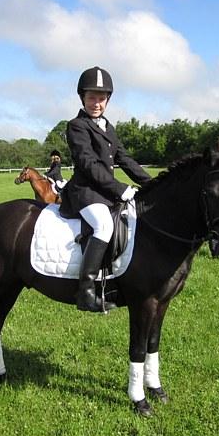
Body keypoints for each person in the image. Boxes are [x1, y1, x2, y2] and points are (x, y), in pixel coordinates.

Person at [59, 66, 152, 312]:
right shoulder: (76, 126)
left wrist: (153, 184)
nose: (96, 103)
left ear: (108, 100)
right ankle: (86, 291)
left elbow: (125, 159)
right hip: (85, 191)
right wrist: (120, 188)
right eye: (92, 97)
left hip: (105, 191)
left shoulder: (108, 127)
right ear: (82, 98)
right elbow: (88, 164)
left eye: (101, 98)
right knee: (104, 225)